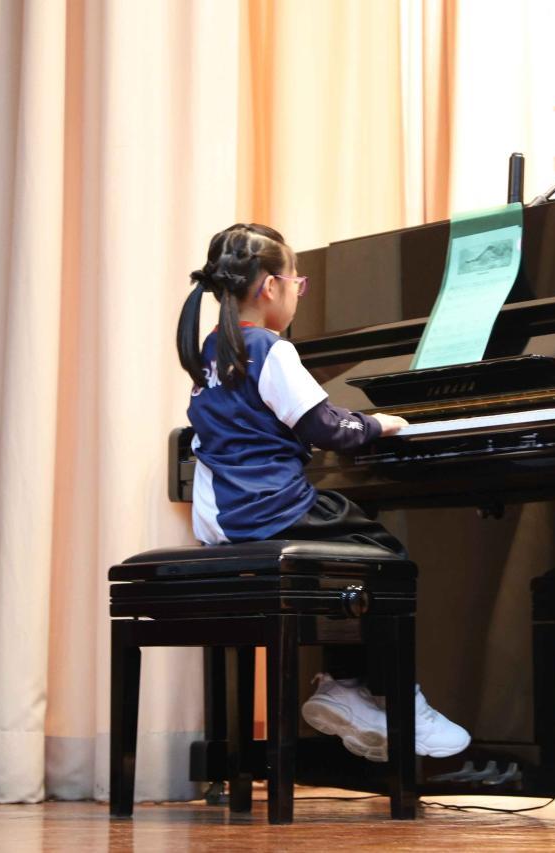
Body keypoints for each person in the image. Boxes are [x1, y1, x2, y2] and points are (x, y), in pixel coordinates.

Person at [176, 223, 469, 762]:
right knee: (386, 557)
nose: (298, 293)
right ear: (271, 286)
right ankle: (389, 697)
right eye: (298, 282)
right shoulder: (270, 349)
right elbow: (326, 428)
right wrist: (379, 423)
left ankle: (346, 686)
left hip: (223, 517)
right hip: (267, 511)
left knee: (350, 559)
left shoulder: (213, 351)